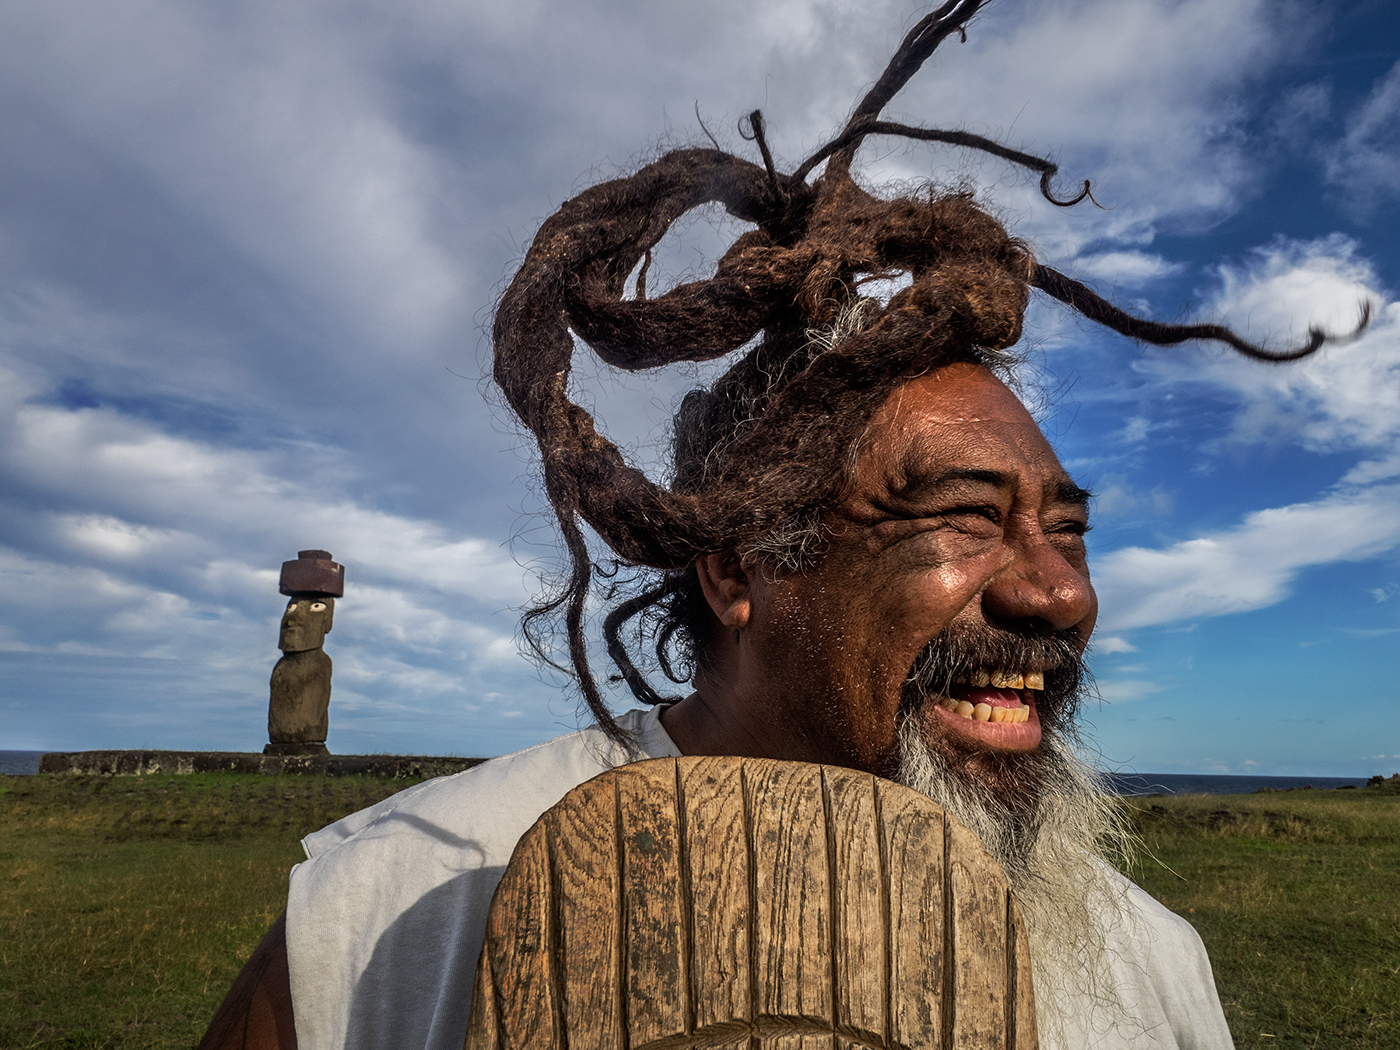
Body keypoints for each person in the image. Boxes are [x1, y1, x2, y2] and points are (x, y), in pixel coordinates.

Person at [199, 4, 1366, 1048]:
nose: (1058, 594)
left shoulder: (1149, 966)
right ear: (737, 568)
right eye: (965, 516)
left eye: (1065, 531)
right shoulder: (395, 912)